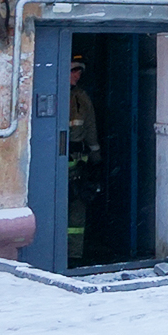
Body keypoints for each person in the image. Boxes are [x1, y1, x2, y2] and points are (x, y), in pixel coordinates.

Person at [68, 58, 101, 260]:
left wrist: (95, 158)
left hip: (78, 160)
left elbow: (90, 129)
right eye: (74, 70)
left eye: (79, 71)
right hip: (56, 163)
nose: (78, 75)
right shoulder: (54, 92)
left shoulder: (82, 98)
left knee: (77, 205)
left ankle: (74, 255)